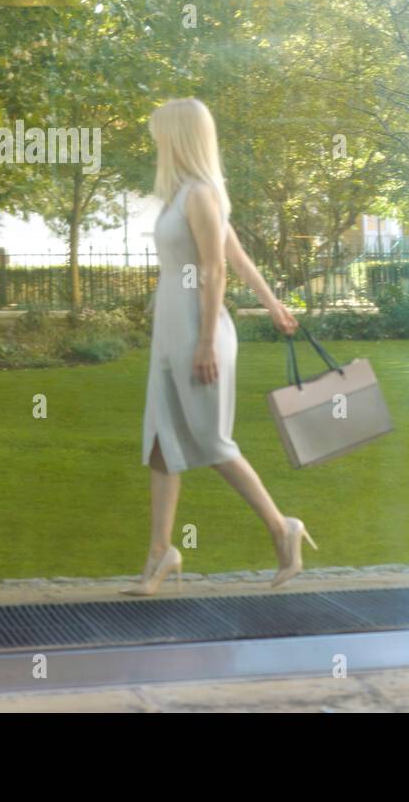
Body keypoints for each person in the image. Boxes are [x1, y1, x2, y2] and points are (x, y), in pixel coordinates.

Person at [126, 98, 312, 596]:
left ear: (179, 136)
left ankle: (282, 527)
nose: (154, 142)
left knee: (210, 443)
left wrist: (206, 342)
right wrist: (274, 305)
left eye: (160, 133)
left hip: (196, 332)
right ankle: (160, 552)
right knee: (163, 445)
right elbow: (241, 255)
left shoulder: (201, 195)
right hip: (170, 332)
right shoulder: (183, 194)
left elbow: (217, 268)